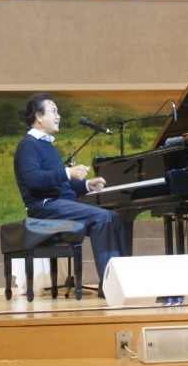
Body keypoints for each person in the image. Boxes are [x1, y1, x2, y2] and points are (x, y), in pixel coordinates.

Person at [13, 93, 127, 290]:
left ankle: (122, 280)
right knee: (103, 218)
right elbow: (34, 180)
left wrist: (87, 185)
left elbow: (62, 185)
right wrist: (67, 172)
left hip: (60, 204)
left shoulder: (47, 145)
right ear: (38, 116)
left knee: (115, 217)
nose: (59, 116)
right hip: (44, 206)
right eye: (54, 111)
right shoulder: (28, 145)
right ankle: (111, 286)